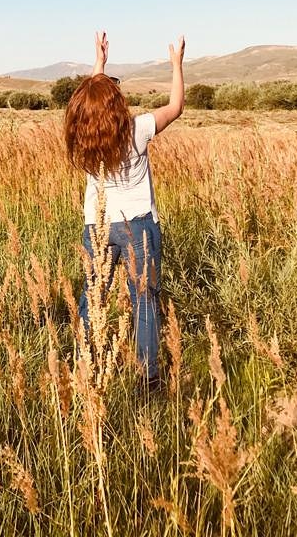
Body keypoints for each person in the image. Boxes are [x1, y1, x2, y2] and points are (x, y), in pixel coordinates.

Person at [64, 31, 185, 390]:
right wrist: (176, 65)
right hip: (139, 226)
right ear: (116, 103)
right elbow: (176, 107)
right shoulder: (137, 130)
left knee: (93, 296)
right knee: (144, 301)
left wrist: (99, 64)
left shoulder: (82, 137)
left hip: (98, 225)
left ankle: (85, 368)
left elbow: (92, 103)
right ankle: (148, 380)